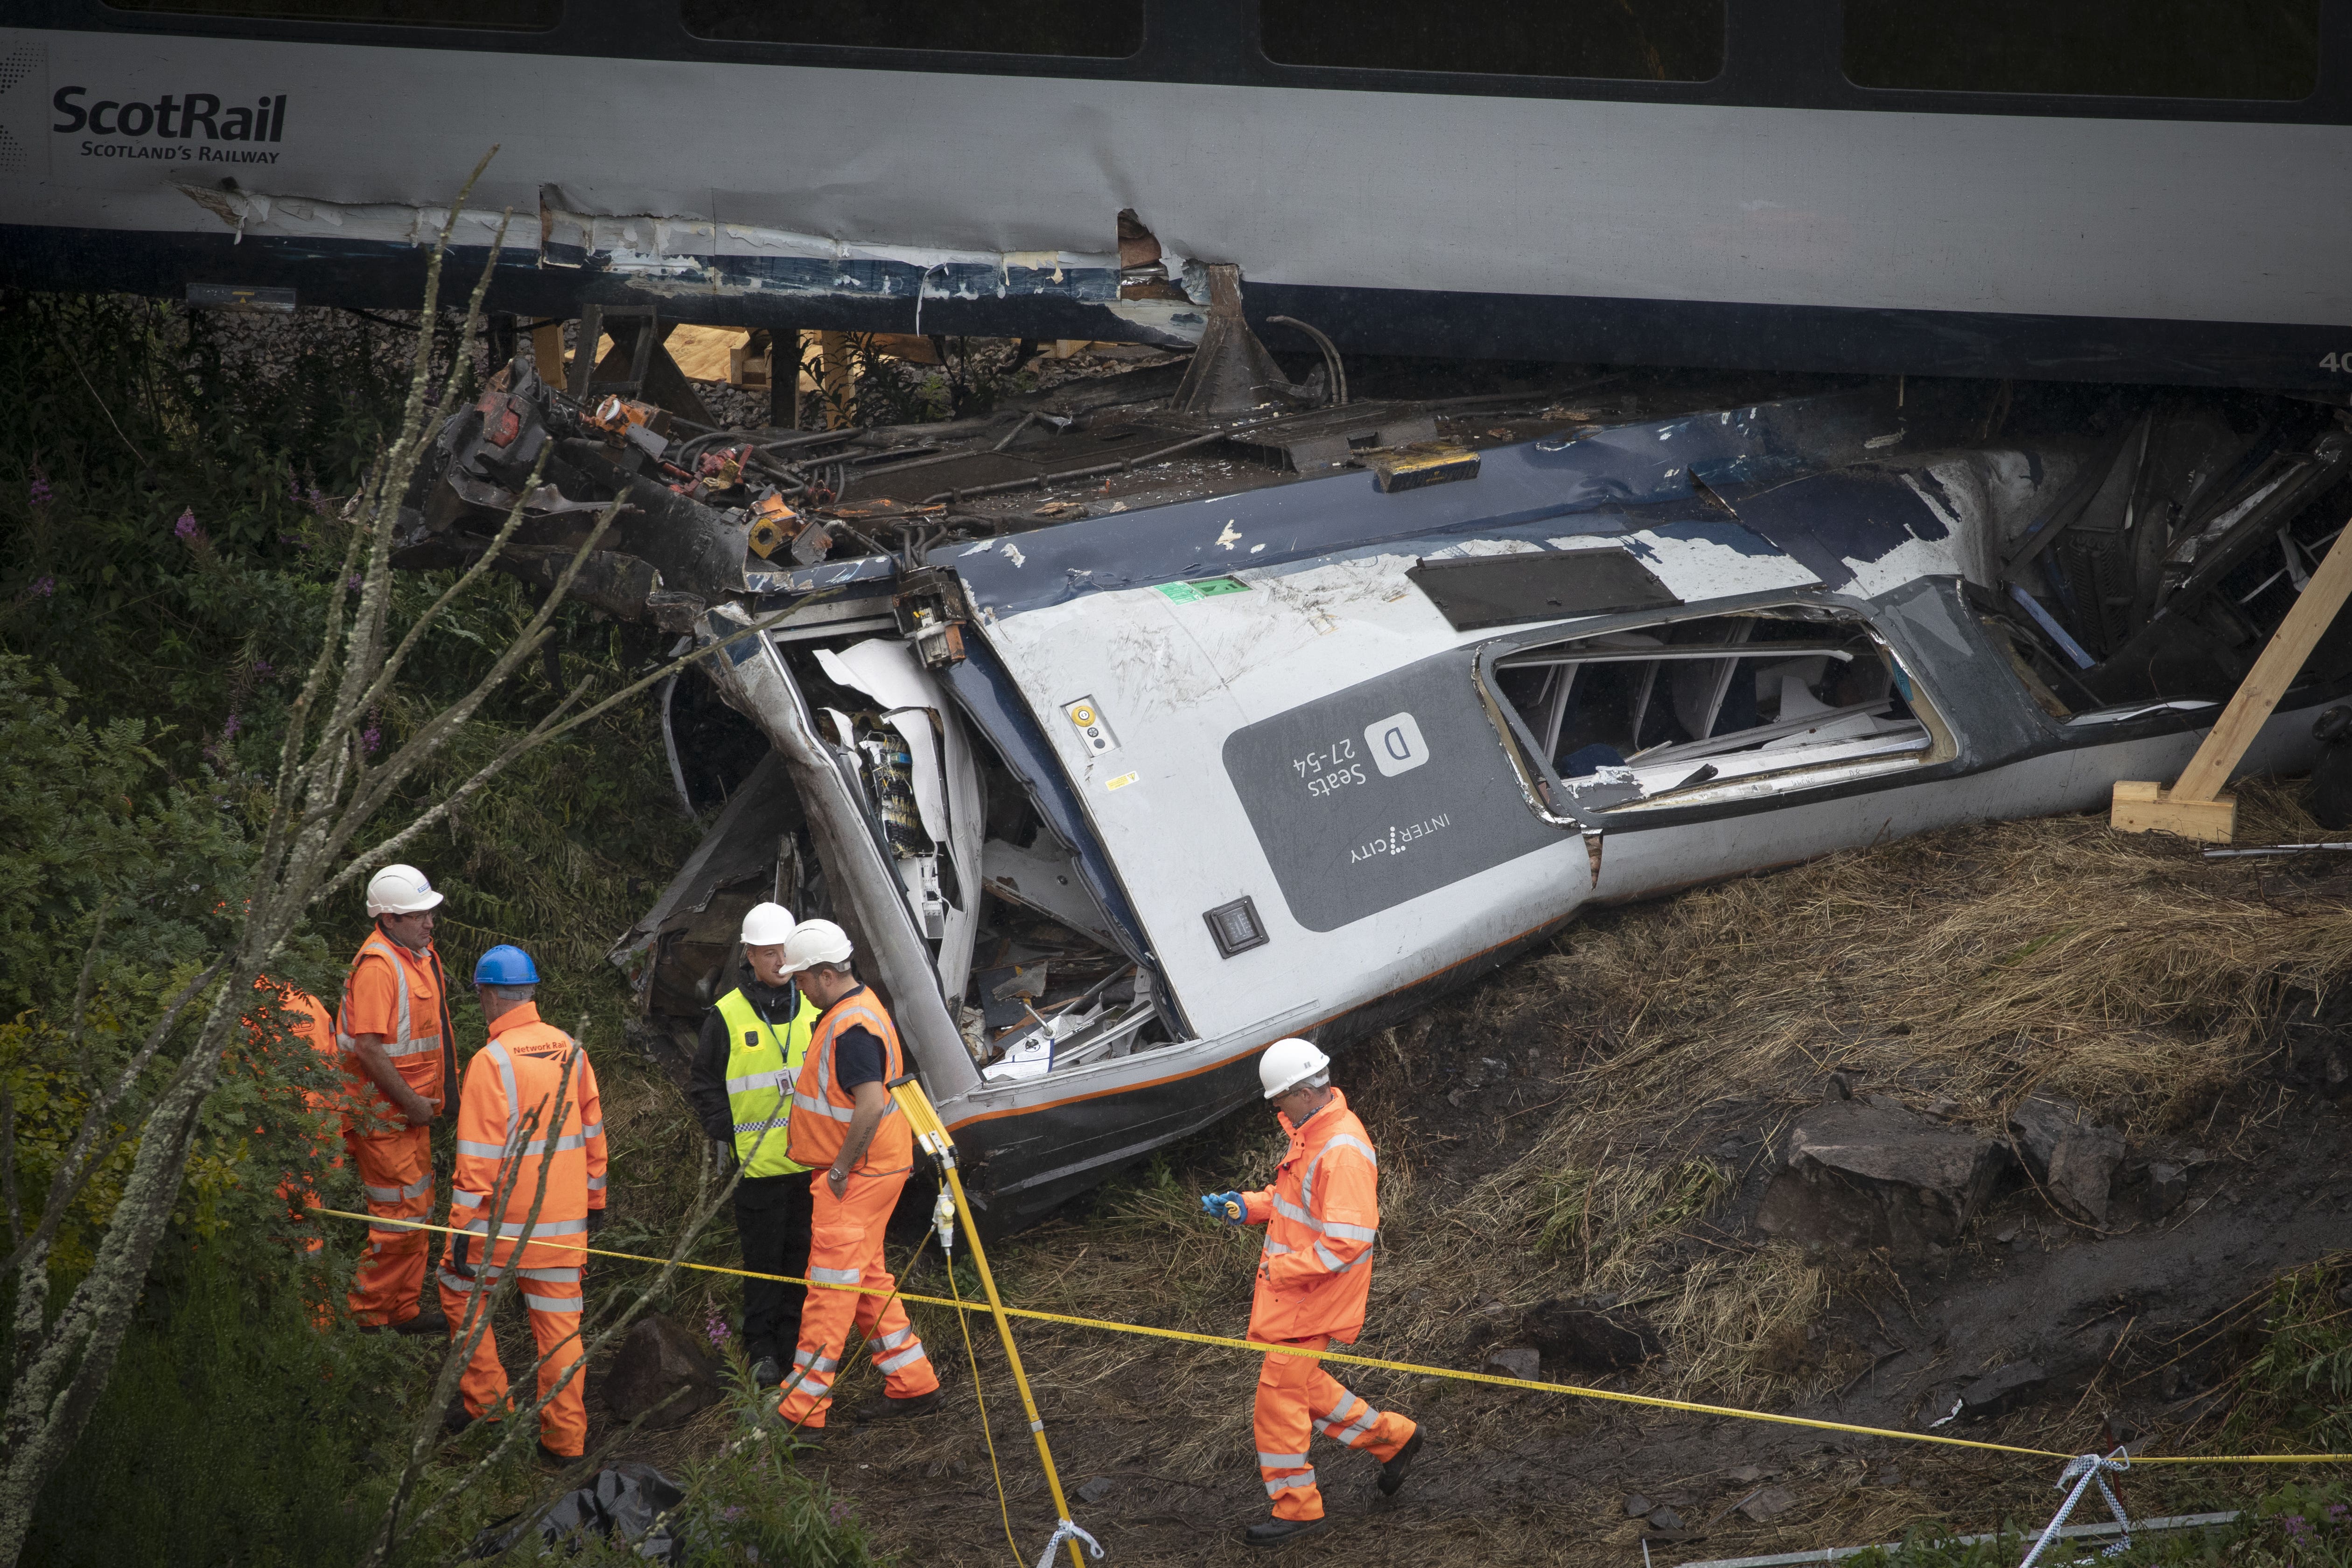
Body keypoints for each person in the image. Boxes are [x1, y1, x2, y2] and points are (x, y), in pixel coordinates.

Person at [1201, 1038, 1425, 1547]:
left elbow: (1348, 1241)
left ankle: (1298, 1509)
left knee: (1277, 1399)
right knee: (1301, 1387)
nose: (1276, 1108)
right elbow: (1292, 1202)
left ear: (1303, 1092)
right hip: (1302, 1293)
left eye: (1279, 1099)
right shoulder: (1313, 1133)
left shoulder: (1340, 1151)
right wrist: (1245, 1206)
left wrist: (1284, 1273)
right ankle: (1395, 1439)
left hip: (1312, 1297)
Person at [436, 944, 608, 1465]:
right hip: (565, 1224)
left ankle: (488, 1409)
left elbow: (478, 1160)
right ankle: (565, 1443)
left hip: (502, 1227)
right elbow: (595, 1132)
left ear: (488, 996)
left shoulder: (491, 1062)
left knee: (457, 1289)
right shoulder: (571, 1050)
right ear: (531, 992)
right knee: (560, 1331)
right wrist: (596, 1200)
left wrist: (462, 1231)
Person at [771, 920, 941, 1439]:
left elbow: (870, 1103)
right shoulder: (860, 1010)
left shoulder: (851, 1028)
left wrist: (841, 1169)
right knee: (865, 1279)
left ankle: (801, 1413)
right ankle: (914, 1382)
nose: (798, 988)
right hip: (879, 1167)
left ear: (826, 975)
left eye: (802, 978)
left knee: (829, 1292)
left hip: (857, 1176)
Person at [686, 901, 819, 1388]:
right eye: (768, 953)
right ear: (750, 955)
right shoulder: (726, 1015)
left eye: (786, 951)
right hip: (759, 1169)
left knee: (803, 1259)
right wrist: (729, 1129)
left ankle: (796, 1347)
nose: (779, 961)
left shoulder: (814, 1005)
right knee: (763, 1265)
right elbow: (704, 1083)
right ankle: (761, 1350)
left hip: (813, 1164)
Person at [335, 862, 455, 1333]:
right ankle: (366, 1317)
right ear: (388, 920)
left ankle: (401, 1310)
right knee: (399, 1222)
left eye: (430, 912)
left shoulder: (418, 955)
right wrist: (410, 1103)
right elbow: (368, 1047)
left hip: (411, 1116)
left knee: (419, 1215)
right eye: (418, 915)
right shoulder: (380, 967)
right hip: (384, 1118)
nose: (430, 921)